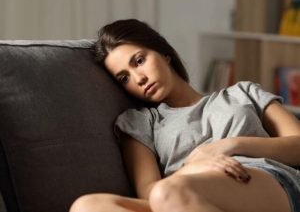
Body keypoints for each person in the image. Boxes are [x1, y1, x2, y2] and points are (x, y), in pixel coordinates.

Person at [70, 19, 300, 212]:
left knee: (168, 192)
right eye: (124, 78)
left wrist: (229, 145)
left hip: (262, 180)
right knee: (87, 206)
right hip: (177, 200)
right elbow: (149, 190)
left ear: (164, 53)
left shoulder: (243, 93)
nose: (138, 78)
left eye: (139, 61)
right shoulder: (141, 122)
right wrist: (194, 166)